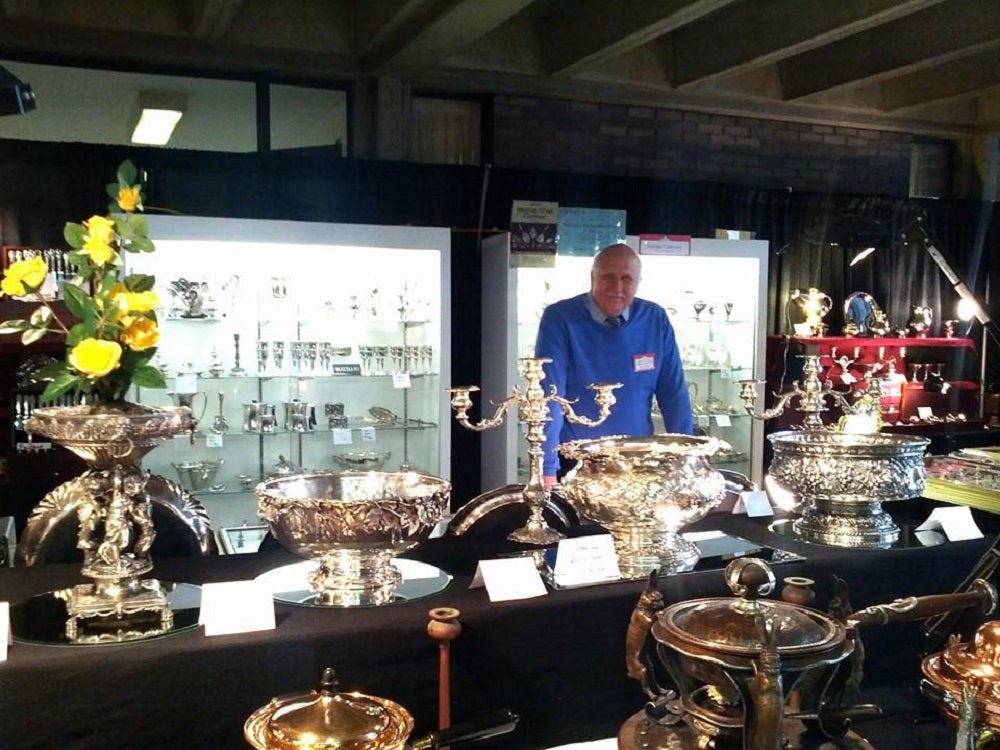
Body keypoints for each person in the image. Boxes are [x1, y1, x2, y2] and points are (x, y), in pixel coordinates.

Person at [534, 243, 693, 485]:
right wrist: (546, 468)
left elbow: (674, 394)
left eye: (626, 279)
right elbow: (550, 396)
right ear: (592, 278)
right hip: (578, 461)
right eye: (608, 277)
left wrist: (686, 457)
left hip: (637, 460)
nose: (617, 287)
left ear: (638, 282)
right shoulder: (560, 318)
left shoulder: (655, 318)